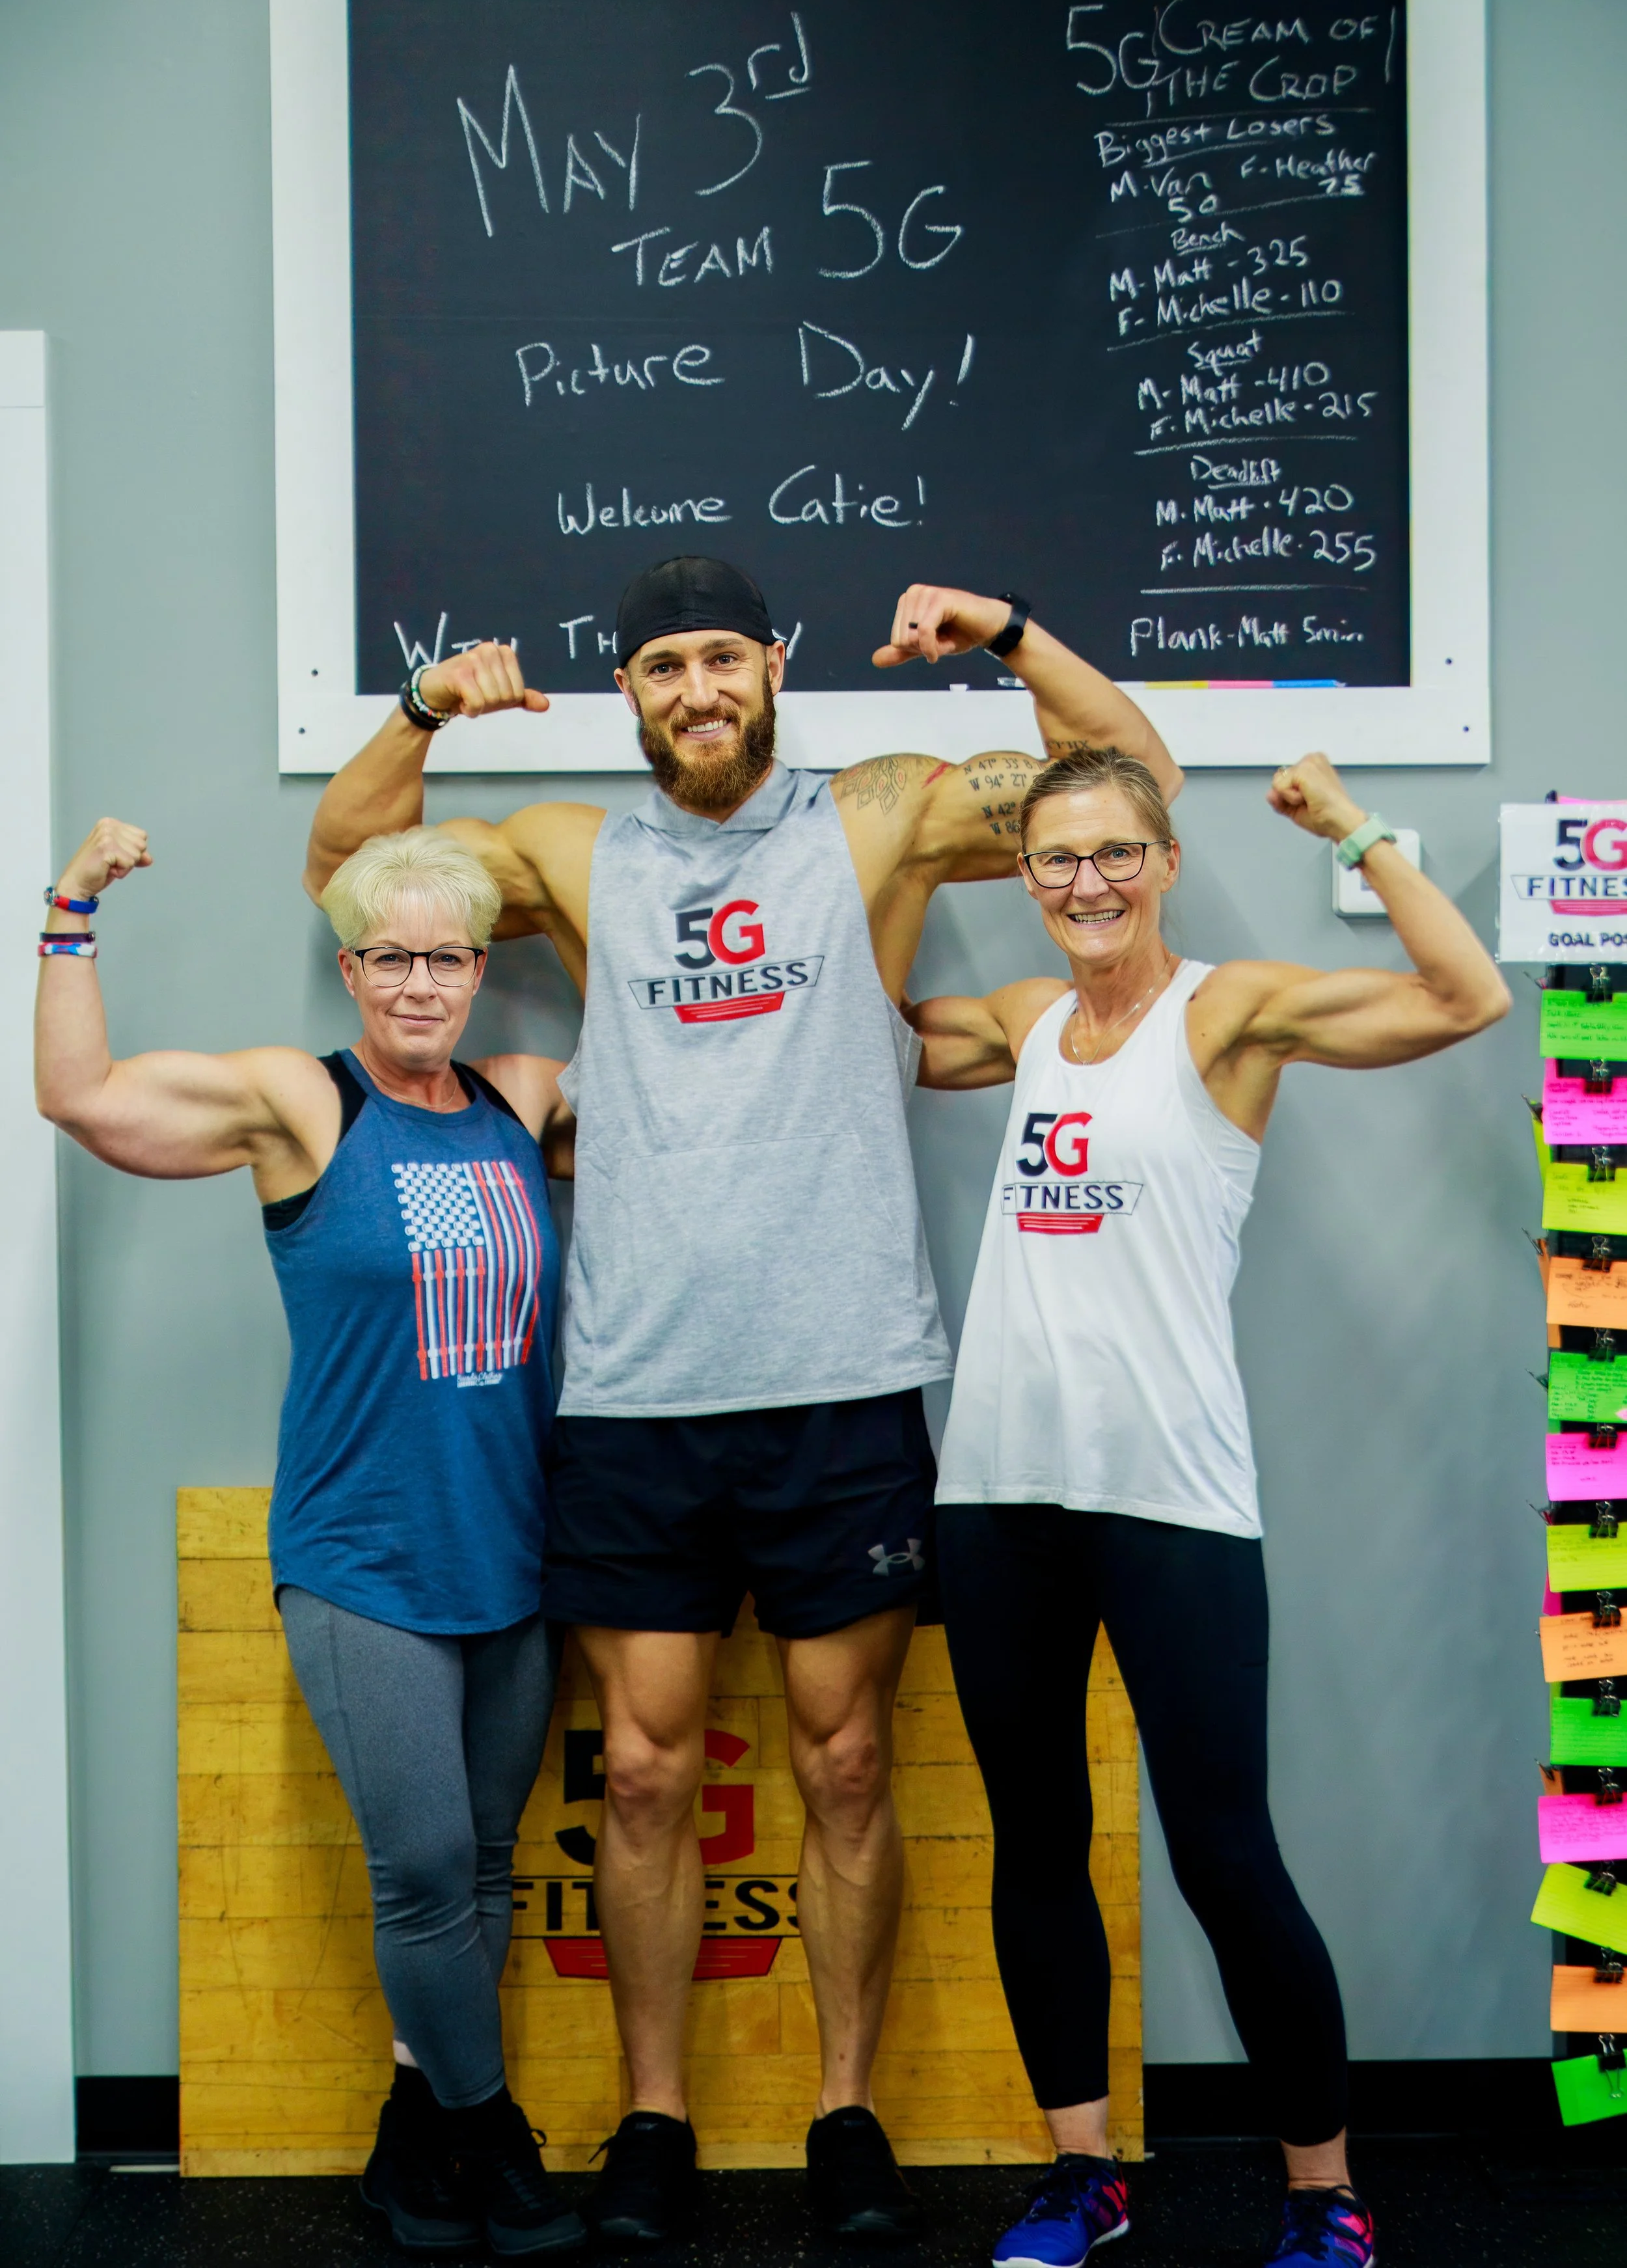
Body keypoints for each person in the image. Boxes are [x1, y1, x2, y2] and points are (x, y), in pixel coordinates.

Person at [303, 556, 1184, 2243]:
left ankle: (843, 2108)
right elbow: (347, 869)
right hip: (634, 1387)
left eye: (720, 655)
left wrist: (1004, 633)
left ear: (770, 663)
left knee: (846, 1760)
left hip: (841, 1373)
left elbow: (1122, 778)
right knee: (639, 1771)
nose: (695, 688)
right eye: (659, 665)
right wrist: (421, 706)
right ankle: (655, 2115)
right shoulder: (572, 849)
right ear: (626, 690)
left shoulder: (876, 817)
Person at [910, 746, 1511, 2268]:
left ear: (1163, 860)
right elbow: (842, 1035)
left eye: (1114, 854)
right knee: (1033, 1839)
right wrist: (887, 858)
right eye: (1055, 861)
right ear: (1027, 877)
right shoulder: (1018, 1022)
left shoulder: (1225, 1012)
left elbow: (1463, 999)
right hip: (995, 1496)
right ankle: (1080, 2174)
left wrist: (1356, 833)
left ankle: (1324, 2194)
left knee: (1223, 1855)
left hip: (1166, 1495)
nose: (1087, 885)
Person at [35, 817, 586, 2260]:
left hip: (514, 1552)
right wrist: (71, 905)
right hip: (363, 1557)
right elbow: (78, 1094)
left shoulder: (521, 1097)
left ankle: (413, 2160)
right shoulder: (307, 1103)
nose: (419, 983)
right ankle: (497, 2145)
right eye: (390, 957)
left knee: (481, 1869)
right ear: (351, 969)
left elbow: (707, 1102)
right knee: (416, 1872)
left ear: (479, 968)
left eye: (447, 956)